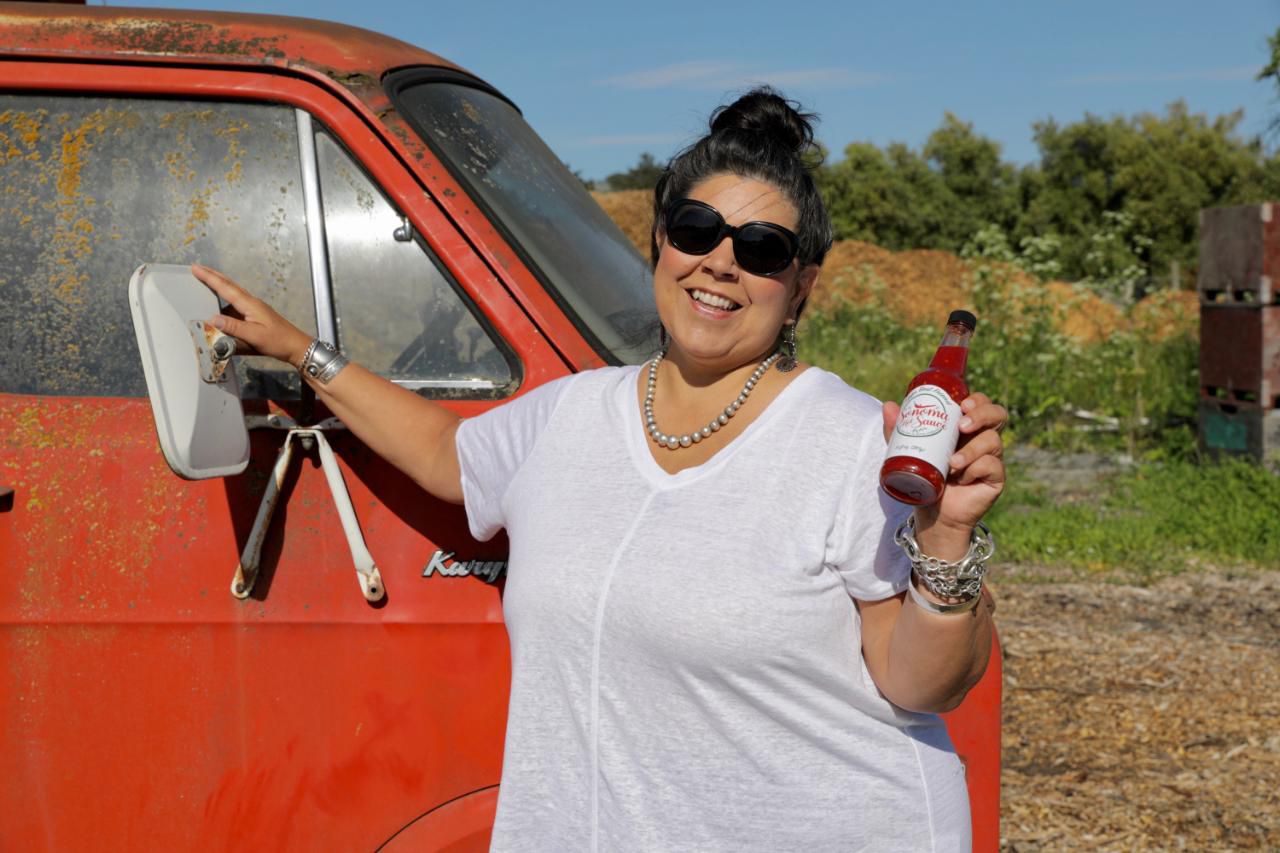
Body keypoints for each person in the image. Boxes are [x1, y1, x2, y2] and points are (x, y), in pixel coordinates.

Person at [194, 87, 1006, 852]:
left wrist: (946, 538)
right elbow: (446, 454)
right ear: (660, 241)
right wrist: (300, 350)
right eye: (696, 230)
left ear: (800, 289)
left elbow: (923, 685)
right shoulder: (572, 414)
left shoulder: (853, 440)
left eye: (762, 250)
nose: (720, 262)